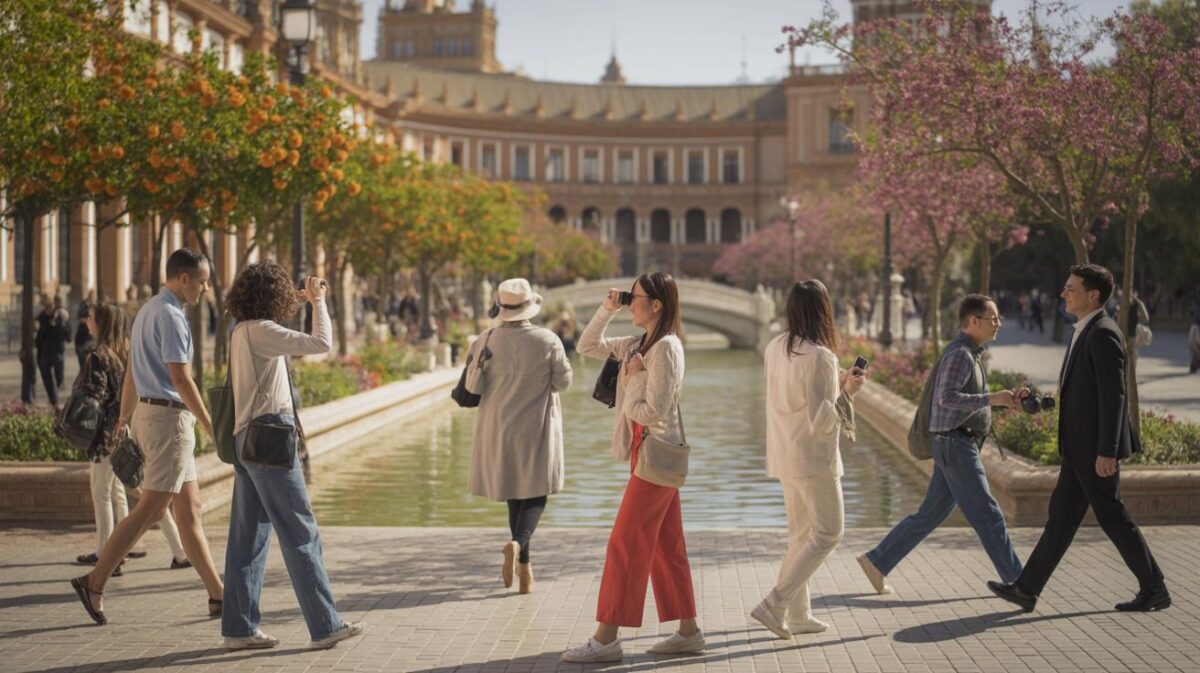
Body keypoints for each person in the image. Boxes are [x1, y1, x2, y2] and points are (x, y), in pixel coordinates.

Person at [988, 264, 1170, 613]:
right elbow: (1083, 390)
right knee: (1061, 518)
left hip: (1094, 451)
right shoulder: (1083, 330)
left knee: (1111, 516)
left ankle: (1154, 588)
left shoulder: (1103, 332)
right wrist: (1042, 402)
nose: (1063, 293)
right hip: (1078, 448)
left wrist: (1108, 451)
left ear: (1093, 295)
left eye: (1071, 289)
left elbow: (1113, 396)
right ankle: (1027, 589)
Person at [70, 248, 224, 626]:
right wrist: (211, 425)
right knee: (152, 509)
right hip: (168, 421)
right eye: (202, 281)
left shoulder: (146, 312)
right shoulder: (171, 316)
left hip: (153, 416)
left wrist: (125, 416)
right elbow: (181, 378)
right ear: (184, 279)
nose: (206, 289)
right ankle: (94, 581)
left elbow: (133, 374)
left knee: (190, 512)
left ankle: (220, 597)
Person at [220, 261, 365, 650]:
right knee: (301, 532)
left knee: (247, 537)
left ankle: (239, 628)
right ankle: (325, 625)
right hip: (269, 440)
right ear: (273, 296)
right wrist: (319, 303)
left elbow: (283, 336)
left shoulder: (242, 331)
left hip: (246, 440)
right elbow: (320, 344)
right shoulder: (264, 332)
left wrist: (301, 301)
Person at [562, 272, 702, 663]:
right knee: (665, 545)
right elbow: (587, 345)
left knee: (623, 543)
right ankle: (689, 632)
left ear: (656, 304)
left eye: (635, 298)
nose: (631, 303)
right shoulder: (638, 343)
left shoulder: (667, 348)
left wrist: (633, 383)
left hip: (655, 453)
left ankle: (606, 639)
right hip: (645, 454)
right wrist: (607, 310)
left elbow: (655, 410)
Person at [857, 294, 1026, 595]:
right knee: (989, 514)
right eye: (994, 319)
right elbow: (946, 397)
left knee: (930, 515)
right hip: (955, 444)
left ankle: (877, 561)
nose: (999, 324)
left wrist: (1004, 401)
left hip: (956, 443)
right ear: (974, 321)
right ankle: (1021, 583)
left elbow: (958, 397)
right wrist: (992, 398)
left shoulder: (970, 352)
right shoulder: (960, 354)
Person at [751, 280, 864, 640]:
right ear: (823, 310)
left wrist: (837, 384)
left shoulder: (774, 347)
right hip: (814, 460)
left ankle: (799, 615)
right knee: (830, 532)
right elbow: (821, 419)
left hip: (784, 454)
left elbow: (801, 400)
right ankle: (775, 603)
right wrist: (846, 391)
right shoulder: (821, 356)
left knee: (801, 537)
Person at [467, 278, 572, 595]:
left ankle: (524, 566)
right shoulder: (547, 340)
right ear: (529, 307)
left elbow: (473, 388)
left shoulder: (485, 339)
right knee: (536, 493)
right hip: (535, 426)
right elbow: (564, 382)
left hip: (498, 427)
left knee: (516, 493)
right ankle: (517, 543)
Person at [72, 302, 189, 574]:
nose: (87, 322)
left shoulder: (98, 356)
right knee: (145, 494)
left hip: (106, 435)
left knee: (105, 493)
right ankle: (175, 550)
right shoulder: (125, 351)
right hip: (128, 428)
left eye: (90, 318)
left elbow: (96, 397)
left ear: (101, 323)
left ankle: (107, 552)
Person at [35, 294, 69, 407]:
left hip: (57, 353)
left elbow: (68, 336)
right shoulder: (41, 318)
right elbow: (38, 335)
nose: (47, 310)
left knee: (59, 378)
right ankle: (53, 400)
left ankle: (57, 392)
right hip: (45, 353)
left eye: (49, 308)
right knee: (47, 378)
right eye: (46, 308)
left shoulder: (60, 317)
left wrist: (62, 323)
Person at [74, 291, 96, 369]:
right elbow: (79, 316)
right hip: (82, 337)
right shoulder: (84, 305)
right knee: (83, 365)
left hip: (89, 339)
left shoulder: (96, 307)